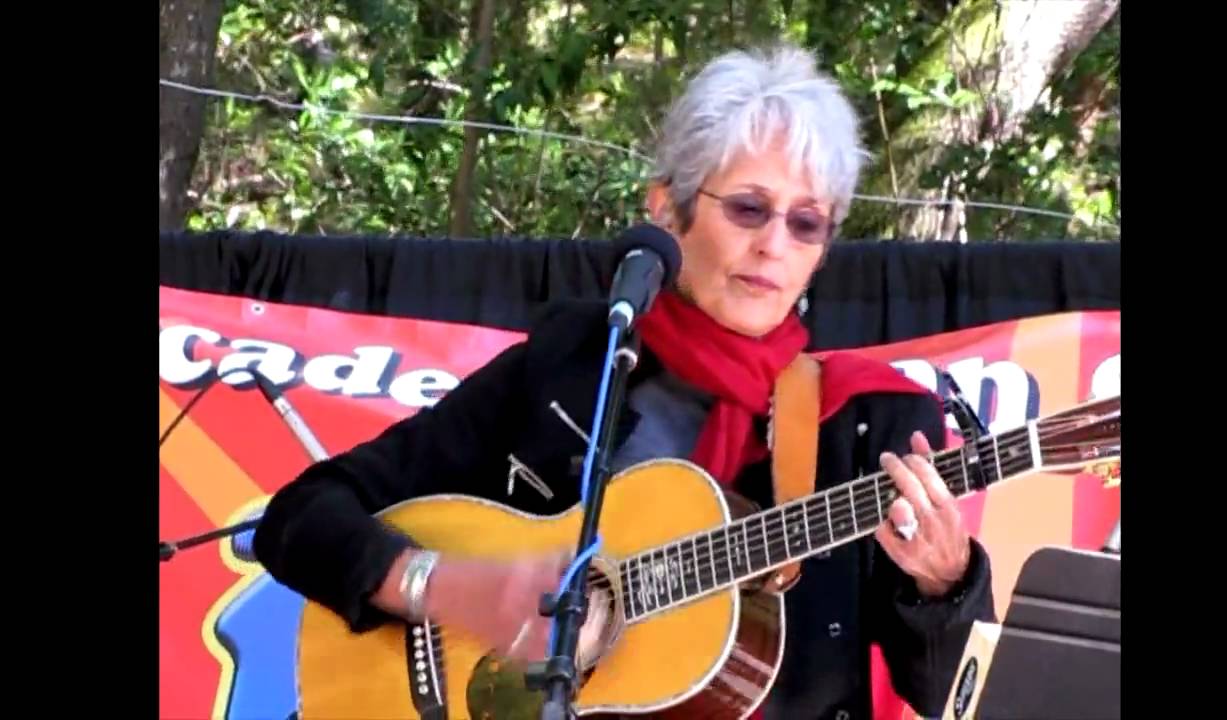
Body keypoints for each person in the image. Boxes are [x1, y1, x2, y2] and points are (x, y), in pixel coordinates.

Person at [253, 42, 996, 720]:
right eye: (747, 208)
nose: (774, 244)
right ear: (666, 210)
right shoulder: (574, 366)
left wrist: (944, 583)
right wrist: (441, 587)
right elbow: (300, 518)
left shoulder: (872, 417)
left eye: (807, 224)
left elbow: (957, 692)